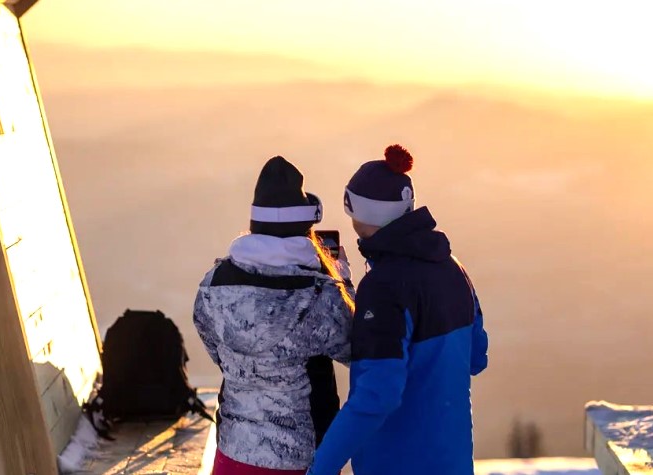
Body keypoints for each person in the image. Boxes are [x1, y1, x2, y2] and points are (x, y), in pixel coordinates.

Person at [308, 145, 489, 475]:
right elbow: (477, 358)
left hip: (396, 462)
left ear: (360, 214)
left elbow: (376, 396)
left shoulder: (383, 286)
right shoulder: (453, 268)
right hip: (453, 461)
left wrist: (320, 468)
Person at [193, 156, 354, 475]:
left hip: (233, 452)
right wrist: (341, 279)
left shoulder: (214, 283)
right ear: (306, 227)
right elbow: (358, 348)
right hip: (300, 459)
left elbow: (218, 350)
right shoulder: (318, 294)